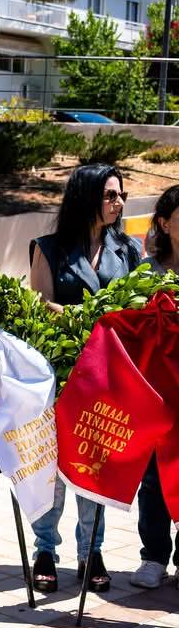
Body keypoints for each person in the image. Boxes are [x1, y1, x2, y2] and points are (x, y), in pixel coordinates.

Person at [27, 164, 141, 594]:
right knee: (55, 468)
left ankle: (91, 550)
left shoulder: (127, 250)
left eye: (121, 195)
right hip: (60, 373)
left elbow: (137, 308)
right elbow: (39, 305)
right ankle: (45, 549)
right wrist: (92, 317)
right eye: (110, 195)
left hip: (108, 374)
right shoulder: (49, 248)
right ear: (86, 196)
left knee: (95, 465)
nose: (118, 202)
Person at [128, 186, 179, 590]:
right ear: (164, 223)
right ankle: (154, 556)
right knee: (153, 478)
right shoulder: (147, 273)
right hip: (157, 392)